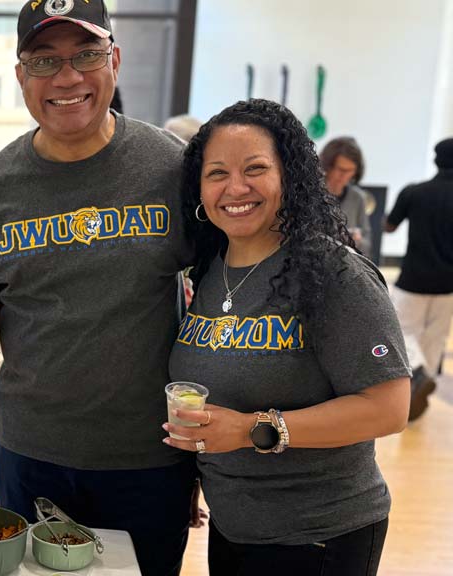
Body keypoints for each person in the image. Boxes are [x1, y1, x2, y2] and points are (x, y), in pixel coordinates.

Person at [0, 2, 195, 574]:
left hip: (149, 454)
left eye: (86, 55)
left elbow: (227, 282)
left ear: (114, 60)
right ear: (21, 76)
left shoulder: (171, 167)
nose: (67, 77)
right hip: (33, 452)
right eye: (44, 61)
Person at [166, 99, 410, 575]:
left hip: (319, 536)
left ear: (289, 177)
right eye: (217, 173)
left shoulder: (333, 273)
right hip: (235, 527)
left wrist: (250, 428)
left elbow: (389, 407)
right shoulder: (211, 270)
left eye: (255, 168)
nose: (235, 187)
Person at [385, 137, 453, 416]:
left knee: (402, 332)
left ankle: (416, 374)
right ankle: (423, 389)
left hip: (413, 278)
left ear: (436, 160)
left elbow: (389, 227)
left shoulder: (415, 192)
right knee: (435, 338)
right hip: (448, 283)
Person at [321, 136, 373, 254]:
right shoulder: (310, 193)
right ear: (328, 166)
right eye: (341, 169)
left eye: (350, 171)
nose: (344, 176)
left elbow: (367, 243)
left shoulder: (357, 198)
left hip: (347, 265)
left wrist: (358, 240)